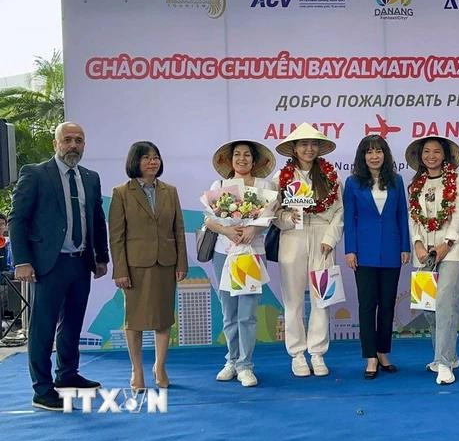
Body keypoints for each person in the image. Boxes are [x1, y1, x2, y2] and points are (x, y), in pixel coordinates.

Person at [9, 122, 109, 411]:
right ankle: (42, 389)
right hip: (46, 265)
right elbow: (17, 219)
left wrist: (101, 256)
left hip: (80, 263)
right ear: (56, 144)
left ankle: (67, 375)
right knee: (43, 328)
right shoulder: (35, 174)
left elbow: (96, 219)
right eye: (67, 140)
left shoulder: (90, 177)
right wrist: (23, 261)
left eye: (79, 140)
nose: (73, 145)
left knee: (73, 323)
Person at [108, 141, 188, 390]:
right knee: (135, 320)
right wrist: (120, 269)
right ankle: (136, 370)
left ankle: (160, 366)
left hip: (166, 263)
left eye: (156, 157)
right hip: (135, 266)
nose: (153, 162)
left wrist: (181, 262)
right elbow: (116, 235)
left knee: (163, 319)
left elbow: (179, 230)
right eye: (146, 158)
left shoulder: (170, 191)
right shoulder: (121, 192)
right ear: (135, 162)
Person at [273, 123, 343, 377]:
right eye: (303, 144)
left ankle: (317, 353)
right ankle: (297, 354)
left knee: (322, 298)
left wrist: (330, 238)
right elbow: (273, 214)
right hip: (293, 239)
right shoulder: (280, 178)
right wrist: (287, 217)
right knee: (292, 300)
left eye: (313, 144)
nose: (309, 149)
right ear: (294, 148)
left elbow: (339, 213)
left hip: (323, 240)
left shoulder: (331, 176)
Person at [205, 139, 276, 387]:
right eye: (237, 155)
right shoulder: (220, 185)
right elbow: (210, 221)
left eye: (247, 155)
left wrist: (253, 230)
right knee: (229, 312)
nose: (242, 159)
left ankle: (246, 365)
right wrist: (227, 232)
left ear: (255, 161)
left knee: (247, 313)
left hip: (251, 255)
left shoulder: (264, 185)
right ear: (229, 160)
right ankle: (231, 361)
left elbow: (268, 217)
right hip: (223, 254)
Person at [343, 135, 410, 380]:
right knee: (367, 306)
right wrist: (350, 250)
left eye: (378, 151)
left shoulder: (397, 181)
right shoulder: (352, 183)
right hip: (364, 252)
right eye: (369, 152)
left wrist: (405, 246)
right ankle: (370, 357)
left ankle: (383, 352)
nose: (374, 156)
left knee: (388, 305)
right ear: (363, 156)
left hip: (392, 250)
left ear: (385, 155)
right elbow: (349, 219)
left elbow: (402, 215)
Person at [405, 136, 459, 385]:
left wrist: (447, 243)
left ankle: (444, 363)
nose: (431, 156)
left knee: (445, 302)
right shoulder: (415, 185)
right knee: (428, 306)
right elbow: (414, 219)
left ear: (445, 155)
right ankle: (447, 355)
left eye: (436, 151)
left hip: (452, 250)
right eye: (426, 152)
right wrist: (419, 245)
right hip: (424, 252)